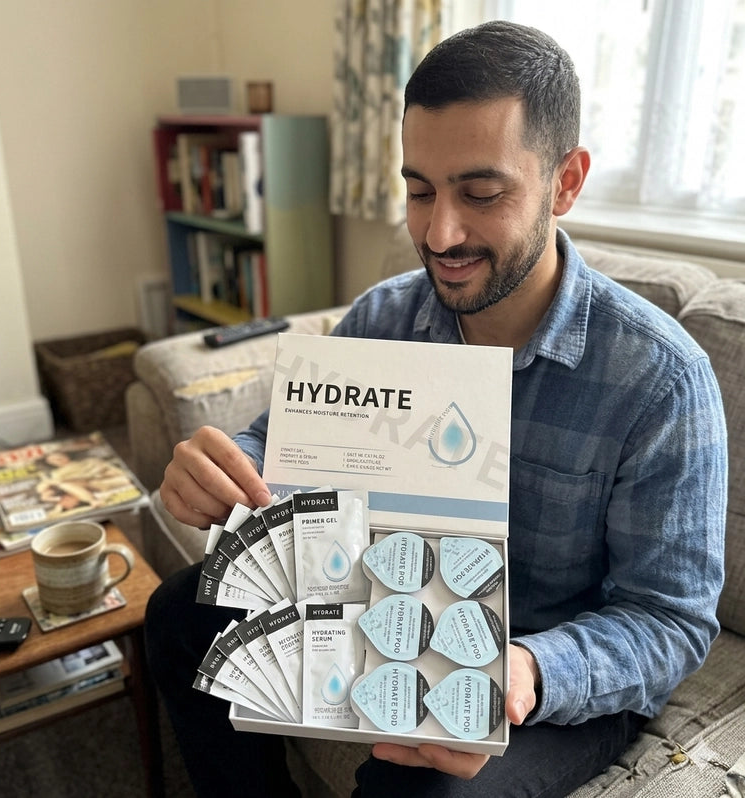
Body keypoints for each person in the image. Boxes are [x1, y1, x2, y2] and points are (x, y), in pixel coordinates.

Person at [145, 20, 727, 798]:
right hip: (383, 604)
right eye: (419, 191)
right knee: (178, 612)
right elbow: (279, 451)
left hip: (545, 668)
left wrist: (526, 669)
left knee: (420, 790)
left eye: (481, 194)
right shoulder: (382, 318)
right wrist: (227, 470)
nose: (439, 232)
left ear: (566, 182)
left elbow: (669, 621)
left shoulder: (659, 380)